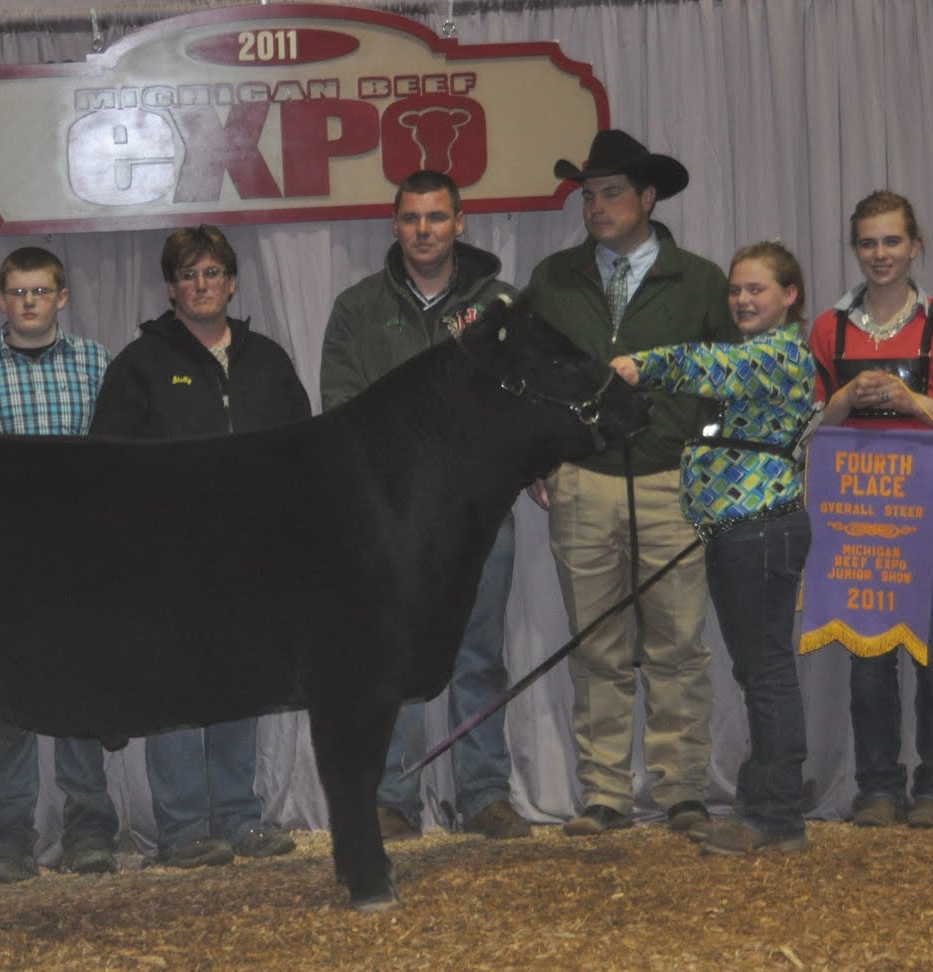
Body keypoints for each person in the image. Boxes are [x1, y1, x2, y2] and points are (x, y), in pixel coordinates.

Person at [525, 130, 739, 837]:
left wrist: (705, 461)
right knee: (596, 643)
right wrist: (539, 459)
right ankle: (605, 791)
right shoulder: (554, 279)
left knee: (678, 641)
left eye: (611, 193)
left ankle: (681, 787)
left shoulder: (702, 280)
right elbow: (528, 379)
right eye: (588, 195)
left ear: (648, 198)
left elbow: (726, 382)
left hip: (670, 478)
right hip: (581, 479)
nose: (596, 207)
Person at [320, 170, 531, 841]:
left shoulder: (501, 304)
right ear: (394, 226)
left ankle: (485, 794)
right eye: (411, 218)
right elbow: (343, 411)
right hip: (396, 520)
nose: (424, 231)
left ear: (460, 222)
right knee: (394, 658)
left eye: (437, 217)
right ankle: (391, 798)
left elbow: (526, 401)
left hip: (480, 516)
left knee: (478, 655)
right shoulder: (357, 308)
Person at [90, 225, 309, 867]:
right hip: (170, 561)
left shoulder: (268, 360)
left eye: (212, 273)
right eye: (189, 275)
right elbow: (108, 464)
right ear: (171, 288)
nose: (202, 285)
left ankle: (239, 819)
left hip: (253, 556)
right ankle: (184, 829)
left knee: (241, 686)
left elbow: (303, 454)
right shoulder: (140, 366)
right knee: (179, 692)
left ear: (232, 282)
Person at [611, 241, 816, 854]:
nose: (742, 299)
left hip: (758, 532)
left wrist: (639, 365)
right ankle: (767, 809)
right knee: (760, 672)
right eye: (736, 289)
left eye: (757, 289)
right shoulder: (756, 350)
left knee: (769, 675)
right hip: (741, 531)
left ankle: (775, 818)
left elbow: (707, 367)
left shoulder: (778, 354)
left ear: (789, 295)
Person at [809, 190, 933, 829]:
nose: (879, 255)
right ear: (854, 248)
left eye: (891, 242)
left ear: (916, 246)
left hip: (930, 497)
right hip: (855, 499)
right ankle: (878, 788)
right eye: (867, 242)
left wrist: (915, 401)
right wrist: (846, 398)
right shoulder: (828, 328)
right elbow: (809, 425)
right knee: (867, 645)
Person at [0, 247, 119, 882]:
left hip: (78, 561)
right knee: (11, 705)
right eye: (17, 292)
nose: (29, 302)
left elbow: (117, 462)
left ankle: (90, 831)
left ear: (62, 297)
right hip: (6, 566)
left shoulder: (96, 363)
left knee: (77, 699)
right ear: (0, 299)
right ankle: (8, 840)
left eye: (41, 291)